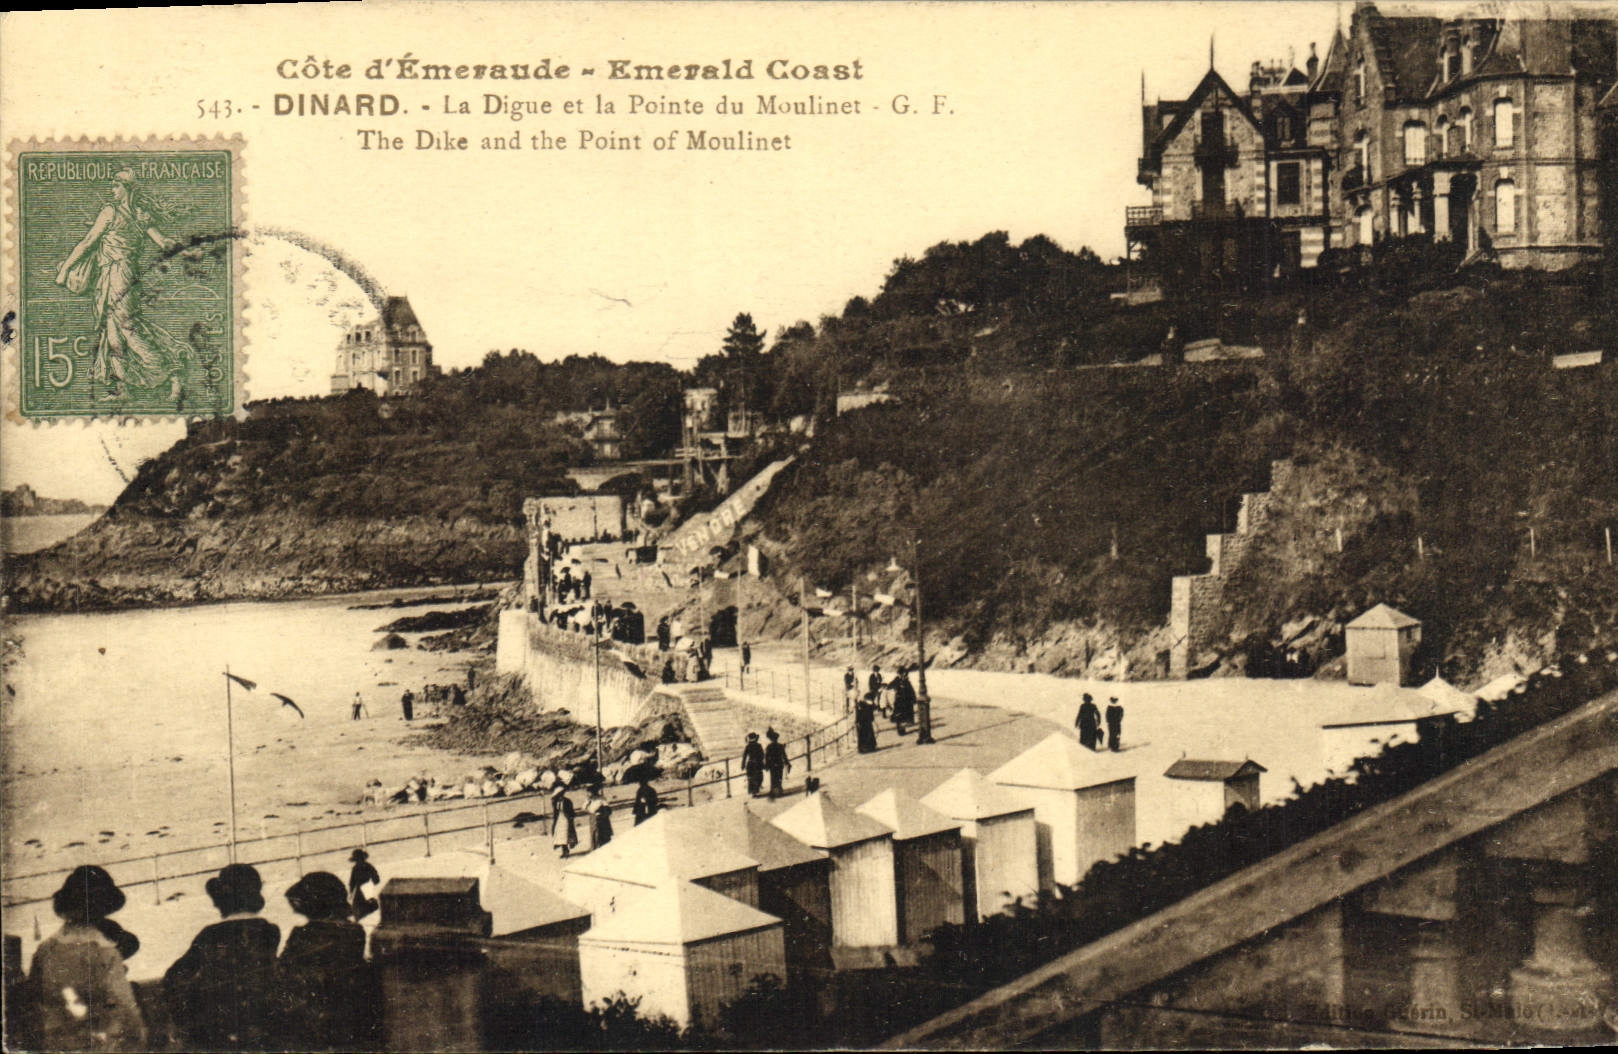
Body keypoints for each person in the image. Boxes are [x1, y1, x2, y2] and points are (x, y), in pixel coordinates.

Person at [55, 169, 188, 401]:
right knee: (112, 331)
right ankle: (123, 388)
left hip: (122, 275)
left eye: (116, 186)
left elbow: (87, 243)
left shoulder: (114, 212)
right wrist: (175, 244)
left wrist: (65, 269)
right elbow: (162, 241)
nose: (112, 190)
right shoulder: (138, 214)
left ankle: (173, 373)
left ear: (127, 188)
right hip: (111, 275)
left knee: (127, 327)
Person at [28, 865, 147, 1052]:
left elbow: (33, 1000)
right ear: (103, 909)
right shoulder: (105, 953)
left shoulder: (44, 950)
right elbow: (127, 1013)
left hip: (54, 1044)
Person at [163, 864, 281, 1051]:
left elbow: (174, 977)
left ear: (222, 899)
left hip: (222, 1029)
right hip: (263, 1023)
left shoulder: (210, 934)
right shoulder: (270, 930)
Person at [277, 872, 377, 1052]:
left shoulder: (302, 934)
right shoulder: (355, 931)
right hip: (346, 1018)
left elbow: (283, 969)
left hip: (312, 1019)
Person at [346, 849, 380, 921]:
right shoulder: (368, 866)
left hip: (360, 891)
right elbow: (377, 880)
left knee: (359, 910)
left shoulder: (355, 868)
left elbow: (352, 883)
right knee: (369, 908)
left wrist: (351, 893)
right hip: (367, 890)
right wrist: (370, 884)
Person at [551, 784, 578, 858]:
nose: (560, 796)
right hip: (559, 819)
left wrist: (570, 818)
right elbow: (555, 812)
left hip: (566, 819)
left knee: (566, 834)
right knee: (560, 835)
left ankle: (566, 851)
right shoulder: (556, 802)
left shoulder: (567, 801)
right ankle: (564, 850)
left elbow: (571, 811)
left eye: (561, 794)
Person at [763, 728, 791, 799]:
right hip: (779, 764)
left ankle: (774, 791)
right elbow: (784, 756)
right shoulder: (781, 746)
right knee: (779, 777)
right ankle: (779, 790)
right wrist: (787, 763)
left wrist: (766, 765)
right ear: (777, 739)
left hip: (772, 764)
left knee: (773, 777)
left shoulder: (769, 747)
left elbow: (766, 757)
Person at [890, 666, 917, 736]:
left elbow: (911, 690)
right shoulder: (897, 680)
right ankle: (900, 730)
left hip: (906, 701)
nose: (903, 675)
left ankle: (903, 729)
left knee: (905, 716)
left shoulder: (906, 681)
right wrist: (895, 687)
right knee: (899, 716)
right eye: (902, 674)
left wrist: (913, 699)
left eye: (904, 674)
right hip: (899, 701)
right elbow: (890, 685)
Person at [584, 786, 614, 850]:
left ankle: (602, 846)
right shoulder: (588, 800)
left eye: (589, 792)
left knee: (601, 834)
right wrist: (588, 804)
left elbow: (608, 809)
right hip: (593, 818)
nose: (588, 794)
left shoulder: (601, 799)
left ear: (593, 792)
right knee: (593, 833)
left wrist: (601, 812)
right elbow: (583, 808)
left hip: (601, 819)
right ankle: (595, 846)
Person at [741, 731, 765, 797]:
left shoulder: (748, 746)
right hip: (758, 763)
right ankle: (756, 791)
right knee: (758, 777)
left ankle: (753, 792)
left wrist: (742, 765)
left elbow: (744, 757)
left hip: (750, 764)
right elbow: (762, 755)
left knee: (751, 778)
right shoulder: (759, 745)